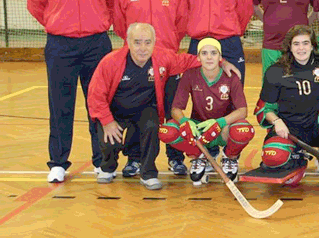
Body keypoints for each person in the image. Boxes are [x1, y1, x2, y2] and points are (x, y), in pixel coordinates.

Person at [86, 23, 240, 190]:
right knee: (109, 141)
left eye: (147, 42)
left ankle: (148, 174)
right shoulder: (110, 62)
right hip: (114, 111)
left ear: (154, 42)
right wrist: (107, 121)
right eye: (137, 42)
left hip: (144, 110)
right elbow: (95, 95)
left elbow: (189, 60)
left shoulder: (162, 57)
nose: (142, 48)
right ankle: (107, 167)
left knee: (152, 125)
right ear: (127, 42)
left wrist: (222, 62)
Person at [27, 0, 120, 183]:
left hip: (96, 45)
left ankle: (102, 161)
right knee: (60, 106)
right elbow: (35, 3)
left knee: (99, 104)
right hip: (60, 46)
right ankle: (58, 162)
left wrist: (99, 24)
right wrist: (57, 24)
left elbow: (115, 3)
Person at [113, 0, 189, 177]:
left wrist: (165, 50)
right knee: (139, 113)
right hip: (137, 65)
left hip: (169, 62)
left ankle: (176, 157)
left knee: (172, 110)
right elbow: (119, 26)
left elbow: (182, 24)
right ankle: (134, 159)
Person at [255, 25, 319, 182]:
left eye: (305, 43)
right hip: (290, 130)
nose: (301, 48)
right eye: (296, 44)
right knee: (274, 157)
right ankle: (298, 157)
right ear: (289, 47)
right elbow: (267, 109)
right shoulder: (276, 71)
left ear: (312, 46)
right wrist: (277, 122)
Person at [160, 38, 254, 184]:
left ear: (220, 57)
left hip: (223, 128)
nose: (209, 57)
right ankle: (198, 157)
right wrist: (185, 122)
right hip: (200, 129)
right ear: (198, 57)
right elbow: (176, 109)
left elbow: (242, 111)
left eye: (213, 53)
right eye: (204, 53)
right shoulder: (190, 75)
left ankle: (230, 158)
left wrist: (220, 122)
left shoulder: (230, 77)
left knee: (244, 129)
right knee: (167, 131)